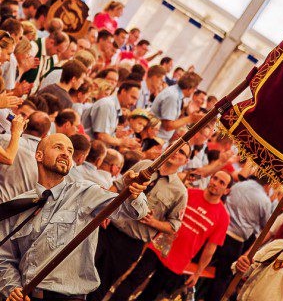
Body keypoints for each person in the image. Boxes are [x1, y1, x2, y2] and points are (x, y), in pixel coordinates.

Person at [0, 133, 149, 301]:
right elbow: (4, 257)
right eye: (58, 147)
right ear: (39, 155)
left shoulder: (85, 192)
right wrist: (12, 287)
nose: (66, 153)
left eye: (70, 151)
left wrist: (133, 192)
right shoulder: (18, 205)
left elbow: (135, 211)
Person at [110, 170, 232, 300]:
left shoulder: (223, 217)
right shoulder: (188, 194)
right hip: (158, 248)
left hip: (178, 262)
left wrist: (197, 273)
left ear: (227, 191)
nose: (215, 183)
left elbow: (210, 248)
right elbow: (166, 215)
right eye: (214, 178)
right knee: (132, 280)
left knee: (151, 295)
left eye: (221, 182)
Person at [90, 144, 189, 301]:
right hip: (107, 228)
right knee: (80, 270)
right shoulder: (145, 165)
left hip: (129, 244)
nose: (176, 151)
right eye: (175, 147)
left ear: (186, 161)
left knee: (100, 286)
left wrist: (154, 222)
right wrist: (105, 210)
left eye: (182, 152)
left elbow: (174, 226)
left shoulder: (180, 191)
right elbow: (117, 186)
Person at [207, 177, 273, 300]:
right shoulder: (265, 200)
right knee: (222, 278)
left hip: (217, 231)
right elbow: (266, 226)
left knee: (204, 266)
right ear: (268, 185)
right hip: (234, 241)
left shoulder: (239, 185)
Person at [0, 111, 51, 202]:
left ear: (25, 125)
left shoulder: (4, 139)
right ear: (45, 135)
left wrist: (16, 132)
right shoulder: (47, 158)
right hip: (22, 209)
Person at [82, 80, 141, 148]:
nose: (134, 103)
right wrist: (122, 142)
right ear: (123, 91)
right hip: (88, 147)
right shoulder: (107, 105)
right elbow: (102, 136)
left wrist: (118, 136)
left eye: (136, 100)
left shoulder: (113, 106)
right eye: (133, 97)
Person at [151, 72, 203, 141]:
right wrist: (191, 118)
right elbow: (168, 126)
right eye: (195, 88)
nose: (194, 91)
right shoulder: (173, 96)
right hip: (154, 139)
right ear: (189, 88)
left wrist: (185, 111)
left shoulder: (176, 93)